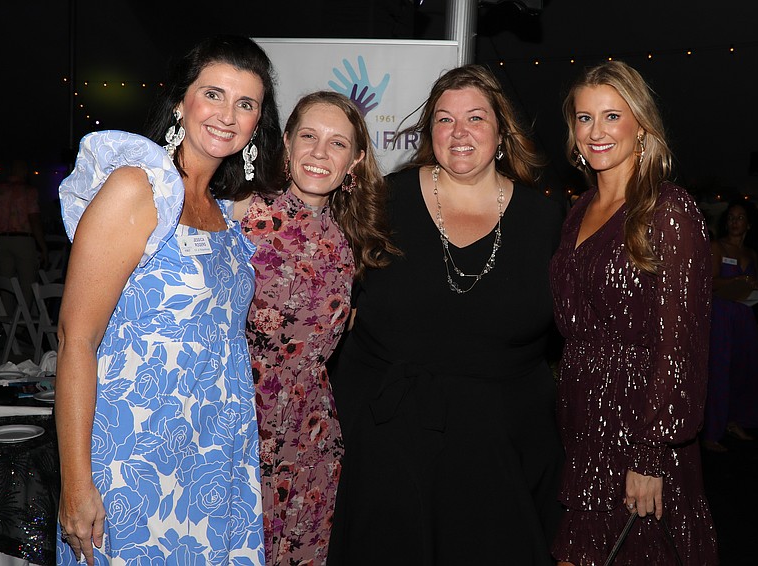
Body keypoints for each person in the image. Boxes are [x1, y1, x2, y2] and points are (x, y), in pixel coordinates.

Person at [54, 34, 283, 565]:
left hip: (212, 457)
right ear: (182, 100)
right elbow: (76, 339)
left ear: (257, 123)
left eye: (246, 103)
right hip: (132, 456)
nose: (228, 114)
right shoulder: (138, 187)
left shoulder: (224, 212)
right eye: (214, 94)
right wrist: (75, 482)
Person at [327, 64, 565, 565]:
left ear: (501, 131)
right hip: (390, 441)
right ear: (428, 132)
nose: (459, 133)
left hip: (503, 449)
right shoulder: (380, 201)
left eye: (475, 118)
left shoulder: (546, 220)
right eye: (444, 119)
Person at [548, 60, 718, 565]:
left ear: (641, 127)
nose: (595, 132)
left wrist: (652, 452)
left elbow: (680, 344)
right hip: (583, 420)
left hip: (640, 426)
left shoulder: (669, 210)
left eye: (611, 117)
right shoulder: (578, 209)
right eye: (584, 118)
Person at [237, 91, 396, 565]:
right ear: (286, 145)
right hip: (240, 420)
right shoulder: (242, 215)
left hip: (310, 433)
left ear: (356, 161)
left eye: (338, 143)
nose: (320, 153)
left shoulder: (352, 239)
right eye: (308, 136)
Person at [702, 199, 758, 451]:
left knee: (742, 370)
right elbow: (708, 282)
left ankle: (733, 421)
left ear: (749, 224)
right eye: (731, 217)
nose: (734, 222)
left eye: (740, 217)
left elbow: (749, 285)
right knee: (719, 372)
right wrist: (741, 279)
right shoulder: (717, 247)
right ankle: (711, 432)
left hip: (743, 315)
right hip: (721, 314)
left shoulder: (751, 253)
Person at [0, 159, 49, 307]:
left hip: (2, 240)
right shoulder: (29, 191)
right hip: (23, 240)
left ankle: (8, 321)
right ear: (24, 172)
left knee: (5, 281)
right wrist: (43, 247)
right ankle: (23, 323)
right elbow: (34, 220)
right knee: (27, 283)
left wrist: (2, 222)